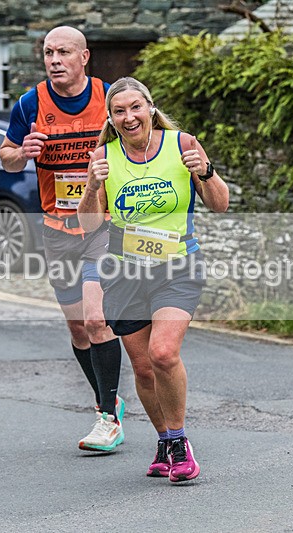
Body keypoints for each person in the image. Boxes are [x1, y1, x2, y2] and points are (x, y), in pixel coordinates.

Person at [77, 77, 229, 482]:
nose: (129, 117)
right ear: (110, 118)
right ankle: (164, 440)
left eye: (135, 108)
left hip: (177, 267)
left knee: (163, 353)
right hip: (126, 273)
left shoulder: (182, 145)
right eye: (119, 111)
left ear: (150, 107)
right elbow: (90, 224)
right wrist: (92, 186)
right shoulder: (105, 156)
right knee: (143, 369)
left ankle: (179, 441)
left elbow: (220, 204)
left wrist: (208, 172)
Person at [0, 26, 125, 453]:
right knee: (77, 329)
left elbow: (143, 143)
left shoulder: (108, 99)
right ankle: (108, 397)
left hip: (102, 227)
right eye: (49, 52)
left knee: (96, 320)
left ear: (84, 57)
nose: (54, 60)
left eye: (63, 52)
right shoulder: (30, 103)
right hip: (57, 231)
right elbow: (7, 158)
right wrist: (23, 152)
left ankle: (107, 417)